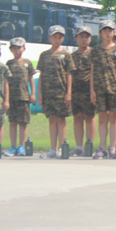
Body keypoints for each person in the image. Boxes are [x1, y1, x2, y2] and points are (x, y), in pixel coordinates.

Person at [90, 20, 116, 160]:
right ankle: (103, 148)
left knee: (113, 118)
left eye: (110, 30)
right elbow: (92, 71)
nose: (108, 32)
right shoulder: (95, 50)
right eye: (105, 30)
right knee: (102, 118)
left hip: (114, 89)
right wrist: (92, 91)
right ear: (100, 33)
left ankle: (112, 147)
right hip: (100, 89)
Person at [37, 26, 75, 158]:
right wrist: (39, 92)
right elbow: (41, 75)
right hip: (48, 93)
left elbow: (69, 74)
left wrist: (68, 92)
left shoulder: (66, 54)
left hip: (61, 92)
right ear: (49, 38)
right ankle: (53, 149)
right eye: (55, 37)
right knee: (52, 119)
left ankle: (61, 148)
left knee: (61, 119)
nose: (57, 39)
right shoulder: (44, 55)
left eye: (60, 37)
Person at [4, 37, 36, 157]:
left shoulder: (27, 63)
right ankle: (13, 146)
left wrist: (33, 94)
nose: (17, 50)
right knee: (12, 122)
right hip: (12, 97)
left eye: (19, 47)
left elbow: (31, 79)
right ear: (11, 49)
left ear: (24, 48)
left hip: (24, 97)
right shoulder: (9, 63)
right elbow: (5, 81)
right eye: (14, 48)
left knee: (23, 123)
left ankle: (21, 146)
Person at [68, 27, 94, 157]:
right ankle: (79, 147)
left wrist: (93, 91)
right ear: (76, 38)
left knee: (89, 117)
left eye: (87, 36)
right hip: (75, 91)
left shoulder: (94, 54)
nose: (84, 39)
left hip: (89, 90)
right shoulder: (72, 56)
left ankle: (89, 145)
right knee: (77, 117)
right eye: (81, 36)